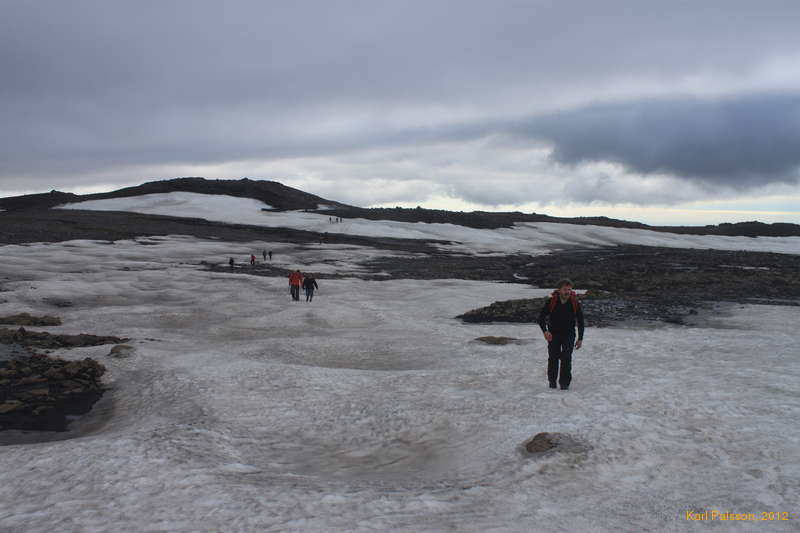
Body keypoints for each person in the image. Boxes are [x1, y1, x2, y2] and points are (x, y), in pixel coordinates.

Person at [537, 279, 584, 390]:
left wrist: (580, 338)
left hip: (569, 335)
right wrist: (545, 331)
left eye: (569, 289)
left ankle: (564, 384)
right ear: (559, 290)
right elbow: (541, 317)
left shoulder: (575, 303)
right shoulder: (552, 301)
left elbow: (581, 321)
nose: (567, 292)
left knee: (566, 358)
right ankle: (552, 383)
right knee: (553, 358)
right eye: (564, 289)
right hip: (553, 334)